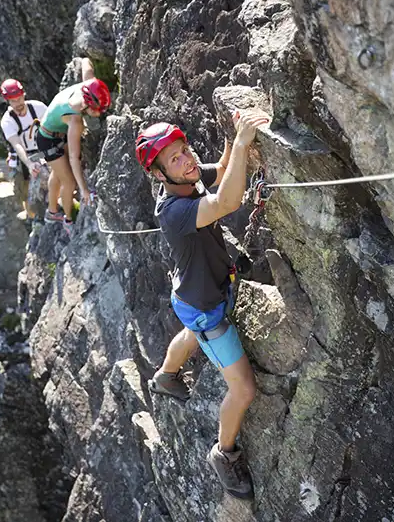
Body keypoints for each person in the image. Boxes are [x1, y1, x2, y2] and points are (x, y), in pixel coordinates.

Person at [134, 110, 269, 500]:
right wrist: (244, 143)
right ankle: (223, 453)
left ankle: (165, 376)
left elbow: (224, 169)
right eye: (174, 158)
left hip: (192, 298)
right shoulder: (175, 212)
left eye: (184, 149)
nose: (187, 159)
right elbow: (228, 201)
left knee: (192, 332)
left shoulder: (186, 180)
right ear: (160, 175)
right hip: (207, 309)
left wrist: (231, 134)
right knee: (243, 390)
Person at [36, 58, 111, 230]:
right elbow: (73, 157)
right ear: (87, 105)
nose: (99, 114)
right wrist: (84, 189)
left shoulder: (89, 85)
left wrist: (83, 60)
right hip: (48, 140)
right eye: (98, 110)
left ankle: (52, 211)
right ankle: (67, 220)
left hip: (52, 130)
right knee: (69, 181)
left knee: (58, 173)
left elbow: (86, 63)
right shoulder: (75, 120)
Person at [0, 79, 48, 221]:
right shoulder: (8, 121)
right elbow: (17, 144)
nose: (18, 104)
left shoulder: (38, 108)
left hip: (42, 147)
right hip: (22, 154)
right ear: (7, 101)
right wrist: (29, 164)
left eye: (19, 98)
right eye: (13, 101)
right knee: (22, 183)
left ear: (24, 94)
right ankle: (30, 213)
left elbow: (52, 127)